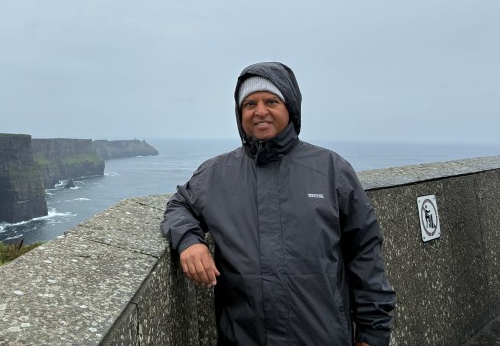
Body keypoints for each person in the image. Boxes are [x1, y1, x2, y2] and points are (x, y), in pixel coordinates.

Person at [160, 61, 396, 346]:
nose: (260, 111)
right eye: (250, 104)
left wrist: (373, 333)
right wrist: (189, 241)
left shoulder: (331, 169)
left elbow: (365, 251)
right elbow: (180, 206)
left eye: (271, 101)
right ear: (240, 113)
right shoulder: (215, 174)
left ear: (290, 107)